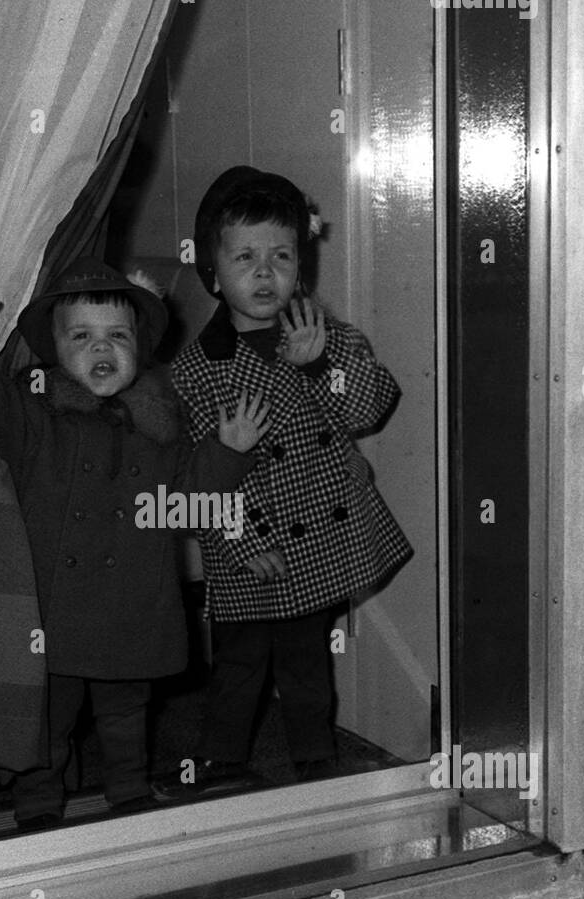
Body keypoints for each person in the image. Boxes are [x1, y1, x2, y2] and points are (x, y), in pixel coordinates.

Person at [0, 257, 267, 827]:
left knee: (126, 712)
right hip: (54, 612)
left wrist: (226, 452)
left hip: (130, 605)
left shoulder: (160, 425)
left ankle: (130, 794)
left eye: (117, 335)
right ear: (54, 351)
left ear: (140, 346)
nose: (100, 347)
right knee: (49, 719)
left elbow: (190, 502)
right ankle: (37, 805)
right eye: (81, 336)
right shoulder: (36, 419)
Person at [154, 165, 413, 798]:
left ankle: (316, 757)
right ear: (212, 272)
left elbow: (370, 406)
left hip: (316, 540)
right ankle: (220, 761)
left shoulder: (323, 337)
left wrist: (324, 365)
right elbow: (192, 483)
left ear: (302, 266)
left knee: (307, 661)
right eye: (245, 257)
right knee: (239, 664)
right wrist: (242, 546)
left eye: (281, 255)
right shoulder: (196, 369)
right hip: (247, 543)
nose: (265, 272)